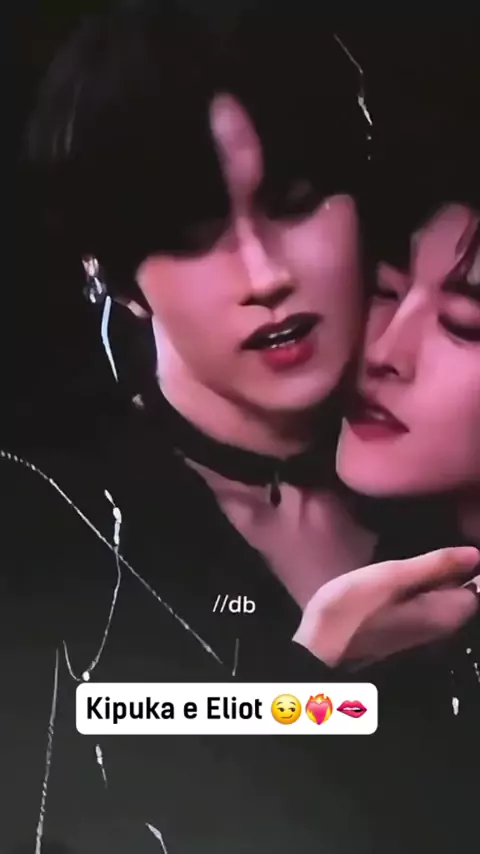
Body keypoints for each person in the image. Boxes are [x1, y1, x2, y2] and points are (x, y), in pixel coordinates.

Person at [3, 4, 479, 853]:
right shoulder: (43, 516)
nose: (264, 275)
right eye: (193, 237)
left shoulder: (428, 474)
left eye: (296, 204)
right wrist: (313, 693)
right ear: (115, 276)